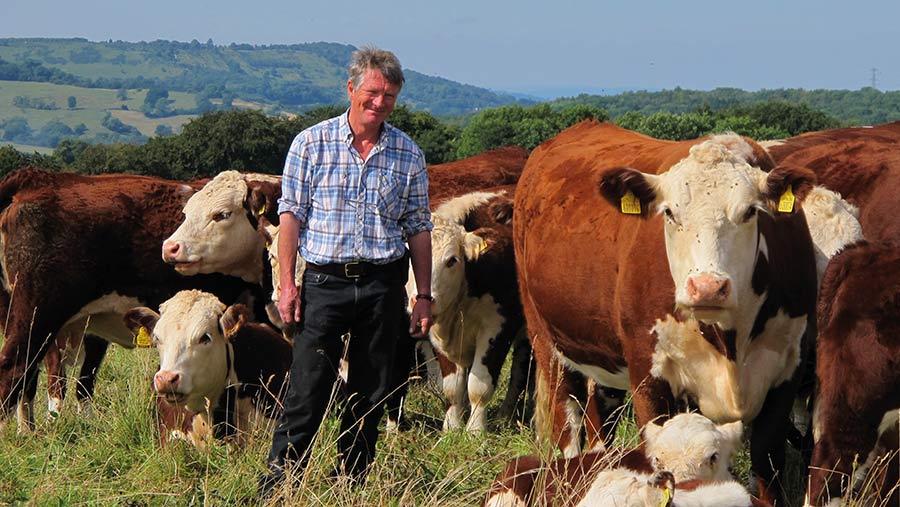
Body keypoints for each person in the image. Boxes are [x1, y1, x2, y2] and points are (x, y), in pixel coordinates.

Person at [259, 46, 434, 495]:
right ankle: (281, 482)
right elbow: (291, 218)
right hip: (324, 282)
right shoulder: (310, 144)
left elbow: (417, 227)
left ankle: (351, 481)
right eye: (372, 92)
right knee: (308, 385)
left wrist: (424, 295)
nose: (379, 103)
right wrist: (286, 285)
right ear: (351, 88)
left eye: (389, 96)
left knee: (371, 387)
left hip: (382, 284)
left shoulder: (408, 154)